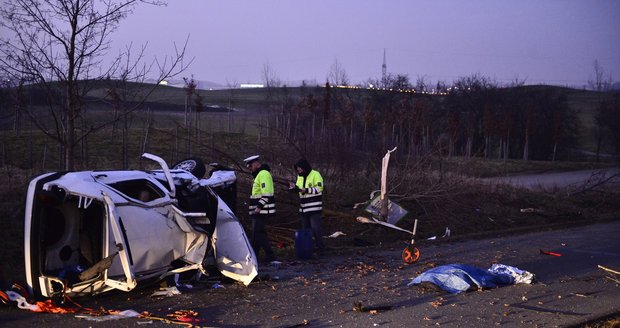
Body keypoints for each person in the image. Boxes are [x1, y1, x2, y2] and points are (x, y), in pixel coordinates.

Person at [244, 155, 277, 262]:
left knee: (259, 233)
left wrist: (259, 207)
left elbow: (267, 193)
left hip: (262, 210)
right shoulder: (258, 175)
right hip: (258, 211)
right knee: (255, 234)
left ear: (257, 164)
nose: (249, 168)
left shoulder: (263, 174)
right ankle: (255, 256)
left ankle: (270, 255)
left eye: (250, 165)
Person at [289, 158, 325, 254]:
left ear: (305, 167)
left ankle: (320, 248)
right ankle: (308, 248)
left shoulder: (315, 174)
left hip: (314, 207)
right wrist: (294, 189)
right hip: (304, 207)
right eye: (297, 169)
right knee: (306, 230)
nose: (298, 171)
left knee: (316, 228)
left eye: (300, 169)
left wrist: (306, 190)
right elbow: (299, 189)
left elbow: (319, 188)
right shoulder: (299, 177)